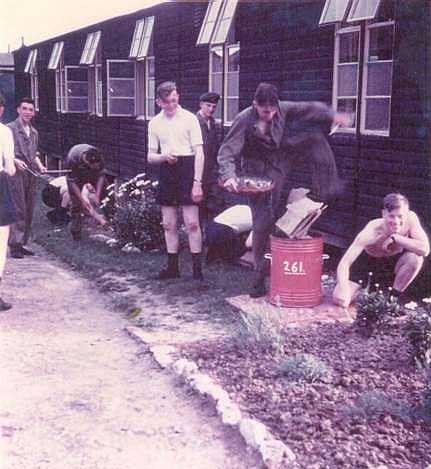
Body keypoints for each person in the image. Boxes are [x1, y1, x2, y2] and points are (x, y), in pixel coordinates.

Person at [217, 82, 351, 297]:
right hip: (256, 172)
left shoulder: (283, 108)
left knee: (315, 139)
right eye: (264, 111)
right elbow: (226, 152)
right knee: (263, 223)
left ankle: (328, 185)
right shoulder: (244, 119)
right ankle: (259, 280)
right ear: (255, 105)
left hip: (280, 160)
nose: (269, 114)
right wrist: (229, 176)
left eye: (272, 110)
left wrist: (333, 115)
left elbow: (309, 107)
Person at [147, 81, 205, 280]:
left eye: (174, 100)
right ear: (159, 102)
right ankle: (173, 268)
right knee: (169, 224)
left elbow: (200, 152)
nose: (172, 105)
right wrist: (164, 157)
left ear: (178, 96)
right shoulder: (154, 123)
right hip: (167, 170)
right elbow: (150, 156)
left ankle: (197, 271)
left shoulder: (190, 119)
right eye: (167, 102)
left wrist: (197, 182)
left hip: (188, 169)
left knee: (192, 223)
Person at [332, 193, 430, 308]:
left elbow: (425, 249)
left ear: (407, 214)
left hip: (392, 266)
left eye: (400, 216)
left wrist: (397, 238)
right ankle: (369, 294)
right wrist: (343, 288)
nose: (396, 221)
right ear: (384, 214)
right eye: (391, 216)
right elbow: (344, 263)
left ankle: (392, 299)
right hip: (367, 266)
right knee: (340, 299)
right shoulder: (371, 231)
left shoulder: (411, 219)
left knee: (415, 259)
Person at [7, 97, 46, 258]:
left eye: (31, 109)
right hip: (15, 173)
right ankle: (14, 244)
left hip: (30, 173)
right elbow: (5, 153)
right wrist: (15, 161)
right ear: (18, 110)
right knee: (19, 207)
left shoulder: (34, 132)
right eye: (24, 108)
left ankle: (23, 242)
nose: (28, 112)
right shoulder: (9, 129)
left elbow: (35, 153)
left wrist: (40, 165)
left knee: (29, 207)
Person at [66, 144, 106, 241]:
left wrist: (97, 194)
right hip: (76, 178)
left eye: (97, 166)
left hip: (93, 175)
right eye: (94, 166)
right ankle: (76, 233)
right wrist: (82, 200)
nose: (97, 167)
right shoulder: (73, 158)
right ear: (87, 162)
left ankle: (107, 221)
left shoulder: (98, 156)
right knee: (76, 204)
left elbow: (101, 176)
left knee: (106, 194)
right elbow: (72, 182)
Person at [0, 93, 17, 310]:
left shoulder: (5, 132)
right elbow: (10, 168)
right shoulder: (4, 132)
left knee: (1, 238)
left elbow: (10, 167)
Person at [42, 176, 106, 227]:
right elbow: (87, 205)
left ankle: (58, 214)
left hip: (56, 190)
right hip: (50, 193)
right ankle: (57, 215)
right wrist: (100, 219)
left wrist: (94, 215)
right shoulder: (84, 189)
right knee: (70, 198)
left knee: (75, 203)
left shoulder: (85, 184)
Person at [196, 91, 220, 220]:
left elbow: (215, 148)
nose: (211, 109)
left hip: (210, 172)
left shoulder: (213, 123)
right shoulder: (194, 122)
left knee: (210, 207)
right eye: (208, 105)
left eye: (214, 106)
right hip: (197, 173)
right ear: (201, 105)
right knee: (197, 206)